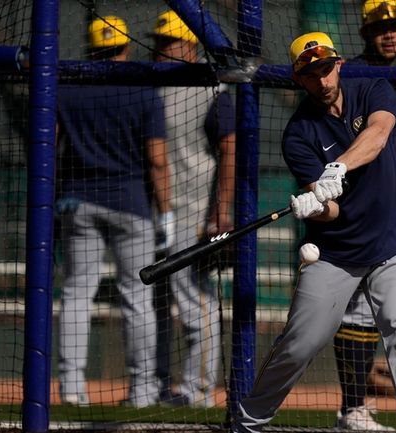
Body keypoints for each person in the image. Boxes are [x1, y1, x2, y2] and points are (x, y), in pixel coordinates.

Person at [231, 31, 396, 433]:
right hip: (335, 253)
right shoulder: (298, 134)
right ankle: (249, 420)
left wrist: (338, 167)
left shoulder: (372, 88)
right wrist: (314, 206)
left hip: (390, 244)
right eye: (310, 75)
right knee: (299, 345)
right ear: (298, 79)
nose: (322, 81)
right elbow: (333, 210)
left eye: (326, 69)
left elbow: (378, 135)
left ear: (338, 64)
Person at [56, 16, 170, 408]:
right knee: (137, 299)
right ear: (126, 47)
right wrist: (166, 213)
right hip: (130, 203)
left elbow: (50, 146)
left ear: (89, 48)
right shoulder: (142, 90)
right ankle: (141, 390)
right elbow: (157, 160)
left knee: (76, 296)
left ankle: (71, 388)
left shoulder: (68, 87)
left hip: (78, 200)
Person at [333, 1, 396, 431]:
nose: (390, 34)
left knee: (390, 314)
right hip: (354, 206)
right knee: (349, 309)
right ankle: (352, 407)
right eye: (380, 27)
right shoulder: (348, 74)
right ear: (366, 31)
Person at [148, 9, 236, 407]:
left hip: (195, 213)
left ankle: (198, 390)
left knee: (195, 299)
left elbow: (230, 150)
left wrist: (221, 213)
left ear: (190, 44)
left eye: (170, 42)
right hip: (154, 212)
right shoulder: (152, 82)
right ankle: (161, 385)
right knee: (158, 302)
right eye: (159, 41)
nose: (162, 49)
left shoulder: (212, 87)